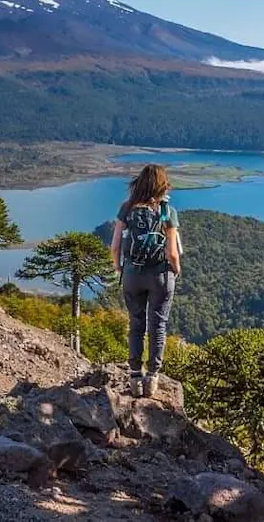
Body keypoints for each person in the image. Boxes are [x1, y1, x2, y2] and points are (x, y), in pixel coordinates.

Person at [110, 164, 181, 397]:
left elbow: (115, 246)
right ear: (162, 186)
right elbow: (172, 252)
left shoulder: (127, 208)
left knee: (136, 324)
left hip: (132, 274)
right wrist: (176, 271)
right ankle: (152, 378)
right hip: (159, 275)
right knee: (157, 326)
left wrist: (120, 267)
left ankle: (134, 376)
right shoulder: (167, 211)